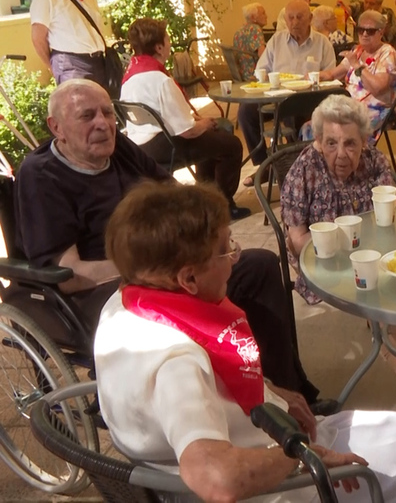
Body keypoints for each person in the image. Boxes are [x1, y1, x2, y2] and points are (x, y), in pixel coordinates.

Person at [95, 182, 396, 503]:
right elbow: (214, 477)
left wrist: (272, 391)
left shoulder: (125, 302)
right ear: (188, 278)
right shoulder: (176, 363)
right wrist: (302, 456)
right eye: (226, 249)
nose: (236, 257)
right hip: (274, 482)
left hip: (259, 436)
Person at [15, 79, 328, 411]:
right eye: (86, 115)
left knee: (260, 266)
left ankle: (286, 394)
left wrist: (213, 242)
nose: (103, 124)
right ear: (56, 127)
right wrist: (159, 269)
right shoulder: (41, 177)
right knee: (193, 298)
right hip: (103, 291)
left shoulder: (118, 148)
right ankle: (215, 409)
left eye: (108, 112)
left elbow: (177, 197)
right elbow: (70, 274)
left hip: (170, 270)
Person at [280, 95, 396, 438]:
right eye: (331, 143)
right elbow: (298, 239)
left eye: (351, 143)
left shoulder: (375, 161)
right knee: (376, 290)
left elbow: (394, 210)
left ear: (365, 141)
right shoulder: (304, 169)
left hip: (378, 249)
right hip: (326, 265)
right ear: (318, 142)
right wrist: (343, 260)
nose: (341, 153)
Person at [119, 18, 249, 220]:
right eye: (168, 39)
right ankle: (223, 206)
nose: (170, 43)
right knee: (230, 144)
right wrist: (203, 123)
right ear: (160, 47)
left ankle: (207, 200)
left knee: (210, 141)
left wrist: (197, 122)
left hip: (140, 146)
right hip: (166, 146)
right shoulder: (160, 79)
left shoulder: (130, 77)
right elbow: (188, 131)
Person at [237, 0, 338, 178]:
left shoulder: (322, 43)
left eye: (299, 17)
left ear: (310, 18)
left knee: (294, 116)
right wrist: (259, 80)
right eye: (290, 18)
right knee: (246, 112)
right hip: (276, 95)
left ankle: (296, 166)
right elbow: (261, 70)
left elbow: (331, 77)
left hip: (307, 99)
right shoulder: (277, 41)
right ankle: (264, 166)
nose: (294, 22)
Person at [30, 0, 110, 88]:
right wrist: (53, 67)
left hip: (98, 63)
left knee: (102, 108)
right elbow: (37, 37)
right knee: (79, 109)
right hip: (70, 65)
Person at [319, 10, 396, 130]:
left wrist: (357, 65)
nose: (364, 34)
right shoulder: (358, 50)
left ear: (381, 32)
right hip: (350, 107)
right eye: (361, 30)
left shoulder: (387, 53)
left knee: (333, 129)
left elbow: (378, 88)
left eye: (370, 31)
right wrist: (312, 77)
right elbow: (332, 74)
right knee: (312, 125)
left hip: (377, 109)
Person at [233, 2, 267, 80]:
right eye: (263, 14)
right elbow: (263, 55)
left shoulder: (239, 31)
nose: (266, 16)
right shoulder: (255, 29)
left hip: (242, 73)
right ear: (253, 17)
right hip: (254, 74)